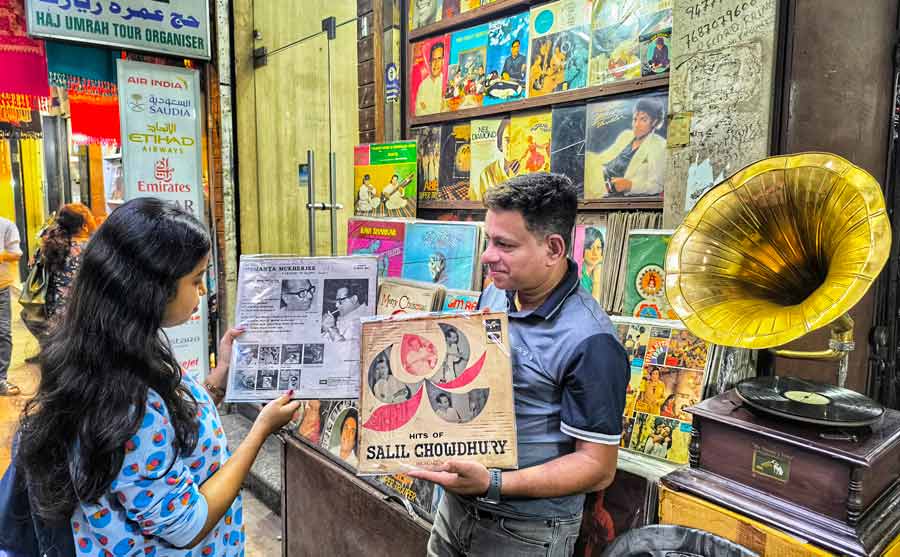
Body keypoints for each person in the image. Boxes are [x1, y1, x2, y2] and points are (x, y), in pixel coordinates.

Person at [14, 198, 301, 556]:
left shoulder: (109, 353)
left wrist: (219, 378)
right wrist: (260, 429)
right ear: (151, 288)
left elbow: (167, 432)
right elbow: (188, 525)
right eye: (195, 279)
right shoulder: (125, 396)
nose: (202, 291)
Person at [409, 173, 629, 556]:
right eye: (488, 239)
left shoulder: (591, 341)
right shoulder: (497, 291)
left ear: (554, 249)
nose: (486, 255)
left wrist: (493, 483)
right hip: (457, 510)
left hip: (526, 532)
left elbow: (598, 467)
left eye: (504, 244)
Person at [586, 97, 666, 197]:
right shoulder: (626, 135)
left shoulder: (659, 145)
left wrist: (630, 185)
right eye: (635, 119)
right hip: (601, 181)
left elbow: (657, 186)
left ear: (654, 122)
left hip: (616, 195)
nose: (636, 125)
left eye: (643, 119)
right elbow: (604, 157)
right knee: (588, 157)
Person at [0, 215, 21, 395]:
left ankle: (1, 379)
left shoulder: (5, 225)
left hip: (1, 287)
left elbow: (16, 254)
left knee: (3, 332)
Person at [470, 119, 515, 201]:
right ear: (500, 142)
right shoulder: (486, 175)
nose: (512, 145)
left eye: (517, 140)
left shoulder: (530, 171)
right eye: (507, 140)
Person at [416, 41, 445, 115]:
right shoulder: (423, 86)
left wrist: (426, 108)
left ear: (443, 61)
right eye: (434, 59)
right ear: (430, 62)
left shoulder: (445, 82)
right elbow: (418, 112)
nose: (436, 63)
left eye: (439, 59)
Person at [581, 226, 604, 301]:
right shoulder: (578, 274)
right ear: (583, 249)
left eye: (598, 248)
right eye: (590, 248)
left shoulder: (606, 270)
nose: (595, 253)